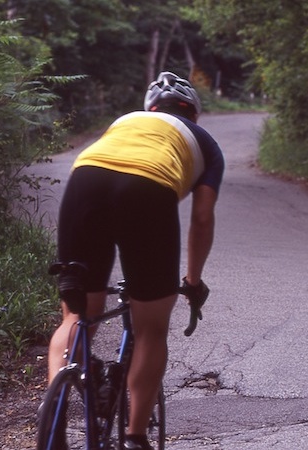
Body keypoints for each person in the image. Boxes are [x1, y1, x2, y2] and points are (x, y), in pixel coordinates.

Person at [47, 72, 225, 450]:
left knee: (77, 316)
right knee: (151, 328)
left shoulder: (125, 122)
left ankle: (53, 426)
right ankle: (135, 437)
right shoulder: (205, 144)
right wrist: (192, 281)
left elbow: (112, 170)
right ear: (193, 113)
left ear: (151, 109)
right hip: (149, 190)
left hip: (86, 179)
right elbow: (202, 218)